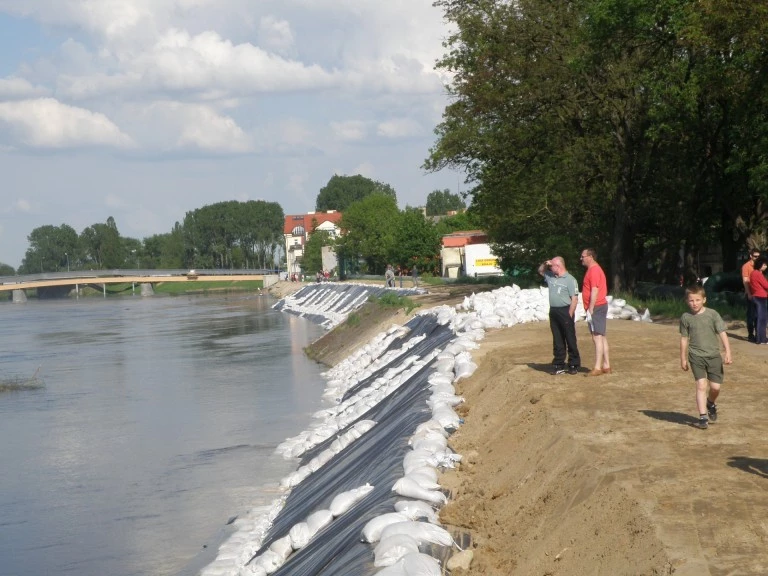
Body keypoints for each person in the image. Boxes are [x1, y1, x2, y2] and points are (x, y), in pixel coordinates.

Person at [679, 285, 733, 429]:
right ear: (687, 301)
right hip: (696, 356)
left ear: (704, 300)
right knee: (701, 385)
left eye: (697, 300)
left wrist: (727, 351)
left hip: (714, 356)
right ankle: (703, 418)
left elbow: (722, 333)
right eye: (691, 300)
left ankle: (710, 403)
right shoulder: (686, 317)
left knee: (715, 387)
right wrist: (683, 358)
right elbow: (684, 339)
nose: (694, 303)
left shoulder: (713, 314)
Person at [538, 256, 580, 375]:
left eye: (552, 266)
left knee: (570, 338)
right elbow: (540, 271)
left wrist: (569, 315)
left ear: (559, 266)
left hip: (565, 311)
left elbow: (575, 299)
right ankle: (559, 363)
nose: (550, 268)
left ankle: (573, 363)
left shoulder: (570, 280)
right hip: (554, 311)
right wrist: (546, 263)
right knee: (557, 339)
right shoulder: (550, 276)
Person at [580, 248, 611, 376]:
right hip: (598, 306)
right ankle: (606, 365)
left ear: (590, 256)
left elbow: (595, 290)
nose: (581, 259)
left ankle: (598, 367)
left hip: (596, 307)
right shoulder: (594, 270)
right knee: (601, 336)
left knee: (597, 337)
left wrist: (591, 308)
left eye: (583, 256)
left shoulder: (594, 270)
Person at [741, 248, 761, 342]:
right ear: (751, 256)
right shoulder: (746, 266)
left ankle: (758, 334)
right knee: (751, 315)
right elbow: (745, 281)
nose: (757, 258)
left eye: (758, 256)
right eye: (755, 256)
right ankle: (750, 334)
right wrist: (748, 293)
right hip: (751, 294)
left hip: (759, 294)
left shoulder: (759, 266)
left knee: (759, 315)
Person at [749, 256, 768, 344]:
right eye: (764, 265)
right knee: (762, 319)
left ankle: (759, 338)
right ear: (759, 264)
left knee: (758, 318)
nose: (765, 267)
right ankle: (762, 339)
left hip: (755, 297)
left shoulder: (753, 273)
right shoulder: (758, 274)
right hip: (760, 298)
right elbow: (766, 285)